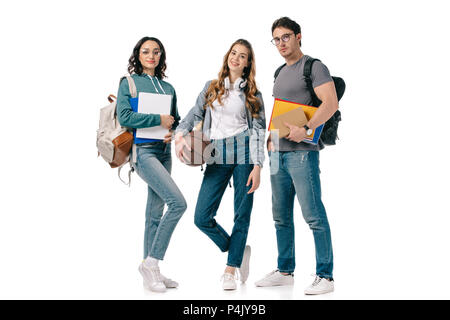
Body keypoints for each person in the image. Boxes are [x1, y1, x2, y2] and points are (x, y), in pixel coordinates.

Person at [255, 17, 339, 295]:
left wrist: (305, 128)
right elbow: (281, 109)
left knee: (313, 215)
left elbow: (330, 103)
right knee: (280, 216)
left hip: (303, 153)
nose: (281, 43)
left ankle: (325, 275)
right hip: (278, 153)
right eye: (276, 39)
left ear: (299, 36)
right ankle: (285, 270)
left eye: (286, 37)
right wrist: (270, 137)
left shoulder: (314, 67)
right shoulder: (279, 71)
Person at [174, 39, 266, 291]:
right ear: (228, 56)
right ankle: (236, 249)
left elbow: (259, 130)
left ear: (248, 63)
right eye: (233, 53)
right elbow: (194, 113)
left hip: (244, 152)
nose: (236, 58)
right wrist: (179, 133)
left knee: (241, 212)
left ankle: (230, 269)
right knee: (202, 216)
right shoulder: (212, 87)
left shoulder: (253, 94)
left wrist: (258, 165)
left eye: (243, 56)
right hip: (216, 152)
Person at [116, 36, 187, 293]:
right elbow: (125, 115)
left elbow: (177, 120)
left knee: (155, 212)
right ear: (138, 55)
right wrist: (158, 118)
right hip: (143, 151)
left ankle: (151, 272)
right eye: (146, 51)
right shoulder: (129, 83)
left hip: (164, 151)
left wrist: (174, 131)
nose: (151, 56)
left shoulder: (168, 88)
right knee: (178, 203)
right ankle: (152, 262)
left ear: (161, 56)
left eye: (156, 52)